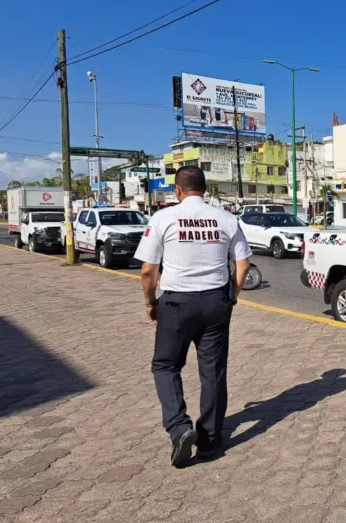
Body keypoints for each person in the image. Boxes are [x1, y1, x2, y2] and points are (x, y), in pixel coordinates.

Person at [135, 166, 252, 468]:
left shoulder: (163, 218)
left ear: (177, 190)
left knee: (165, 364)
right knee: (212, 371)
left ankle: (180, 427)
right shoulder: (226, 219)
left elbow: (148, 271)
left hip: (176, 304)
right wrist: (232, 296)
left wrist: (150, 303)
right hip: (216, 302)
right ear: (206, 189)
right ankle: (211, 441)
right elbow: (243, 265)